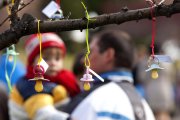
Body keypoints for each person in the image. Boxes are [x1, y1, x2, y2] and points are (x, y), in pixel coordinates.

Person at [58, 30, 155, 120]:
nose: (84, 60)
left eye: (91, 51)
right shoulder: (146, 108)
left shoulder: (97, 99)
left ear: (108, 55)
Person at [8, 33, 80, 120]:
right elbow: (43, 114)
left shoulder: (64, 79)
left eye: (57, 58)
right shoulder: (33, 86)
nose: (53, 63)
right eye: (45, 58)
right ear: (33, 62)